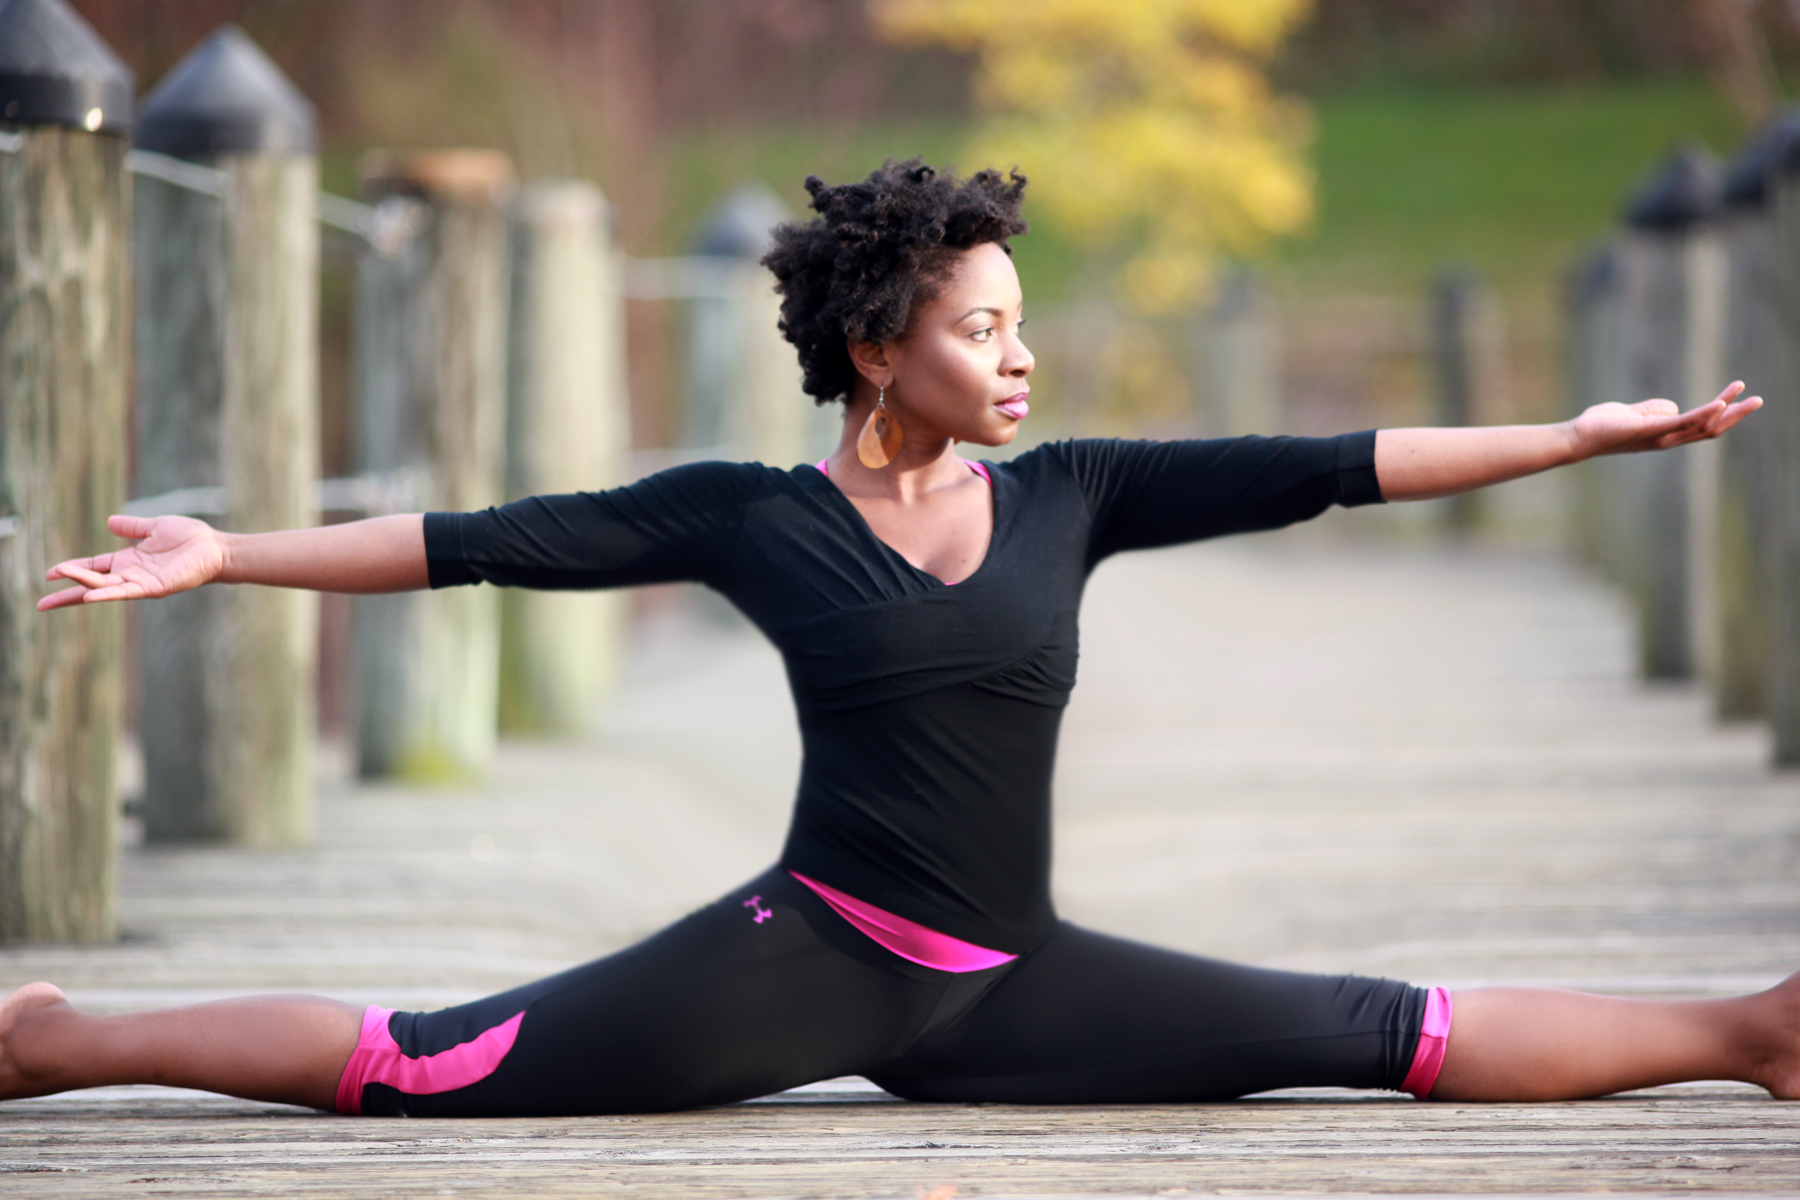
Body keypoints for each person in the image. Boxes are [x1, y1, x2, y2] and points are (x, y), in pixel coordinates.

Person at [3, 160, 1790, 1117]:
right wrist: (226, 555)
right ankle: (53, 1037)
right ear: (878, 347)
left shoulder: (1074, 495)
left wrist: (1572, 436)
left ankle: (1748, 1030)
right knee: (421, 1062)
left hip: (1017, 979)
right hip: (812, 954)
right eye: (984, 328)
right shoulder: (749, 515)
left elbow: (1335, 466)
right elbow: (468, 544)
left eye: (1025, 324)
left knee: (1375, 1027)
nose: (1021, 358)